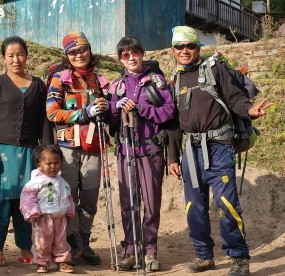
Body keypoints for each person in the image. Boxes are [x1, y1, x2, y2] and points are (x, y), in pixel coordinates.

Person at [167, 26, 273, 276]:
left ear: (198, 49)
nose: (185, 51)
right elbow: (173, 123)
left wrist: (249, 110)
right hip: (190, 152)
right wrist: (172, 157)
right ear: (173, 51)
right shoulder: (176, 78)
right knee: (194, 207)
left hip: (219, 148)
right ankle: (204, 257)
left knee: (226, 204)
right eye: (180, 47)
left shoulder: (215, 69)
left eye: (190, 46)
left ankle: (239, 259)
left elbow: (235, 98)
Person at [106, 36, 175, 272]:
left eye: (135, 52)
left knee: (152, 204)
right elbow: (111, 120)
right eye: (125, 55)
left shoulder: (157, 81)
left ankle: (150, 251)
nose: (131, 57)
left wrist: (142, 108)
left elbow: (169, 112)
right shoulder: (117, 86)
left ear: (142, 54)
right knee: (128, 203)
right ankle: (130, 250)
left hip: (150, 150)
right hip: (125, 151)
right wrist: (115, 108)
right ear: (120, 59)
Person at [46, 31, 109, 266]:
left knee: (90, 200)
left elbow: (110, 111)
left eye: (83, 49)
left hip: (94, 145)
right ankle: (70, 246)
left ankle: (84, 243)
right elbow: (52, 112)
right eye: (73, 52)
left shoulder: (100, 81)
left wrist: (108, 106)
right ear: (67, 55)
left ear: (90, 50)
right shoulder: (60, 79)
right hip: (67, 147)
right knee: (69, 198)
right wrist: (83, 113)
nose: (79, 55)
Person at [0, 36, 47, 267]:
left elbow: (44, 122)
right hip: (1, 154)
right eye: (10, 55)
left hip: (29, 155)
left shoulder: (39, 85)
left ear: (27, 56)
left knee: (27, 203)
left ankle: (24, 246)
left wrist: (45, 155)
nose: (15, 59)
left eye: (20, 54)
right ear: (4, 58)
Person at [20, 144, 76, 273]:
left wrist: (70, 211)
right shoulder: (36, 182)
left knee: (61, 241)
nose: (53, 166)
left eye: (56, 163)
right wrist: (32, 213)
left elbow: (69, 198)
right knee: (43, 242)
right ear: (39, 164)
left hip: (60, 218)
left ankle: (62, 261)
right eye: (48, 163)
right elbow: (27, 198)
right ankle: (42, 262)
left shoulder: (62, 181)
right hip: (43, 218)